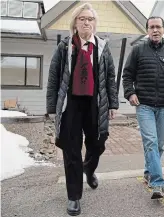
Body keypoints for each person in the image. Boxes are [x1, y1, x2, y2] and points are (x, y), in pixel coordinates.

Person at [46, 3, 119, 216]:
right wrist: (52, 107)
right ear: (75, 23)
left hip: (96, 103)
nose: (86, 22)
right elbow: (53, 78)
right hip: (71, 104)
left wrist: (113, 103)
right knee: (71, 150)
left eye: (90, 19)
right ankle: (74, 197)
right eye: (82, 19)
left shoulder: (103, 47)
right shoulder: (64, 47)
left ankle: (89, 168)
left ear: (95, 24)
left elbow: (110, 78)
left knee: (98, 143)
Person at [122, 16, 164, 199]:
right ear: (147, 31)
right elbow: (127, 75)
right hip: (144, 105)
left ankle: (148, 172)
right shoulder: (138, 50)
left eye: (158, 27)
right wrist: (130, 93)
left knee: (158, 145)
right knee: (150, 142)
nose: (155, 30)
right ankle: (157, 183)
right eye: (152, 27)